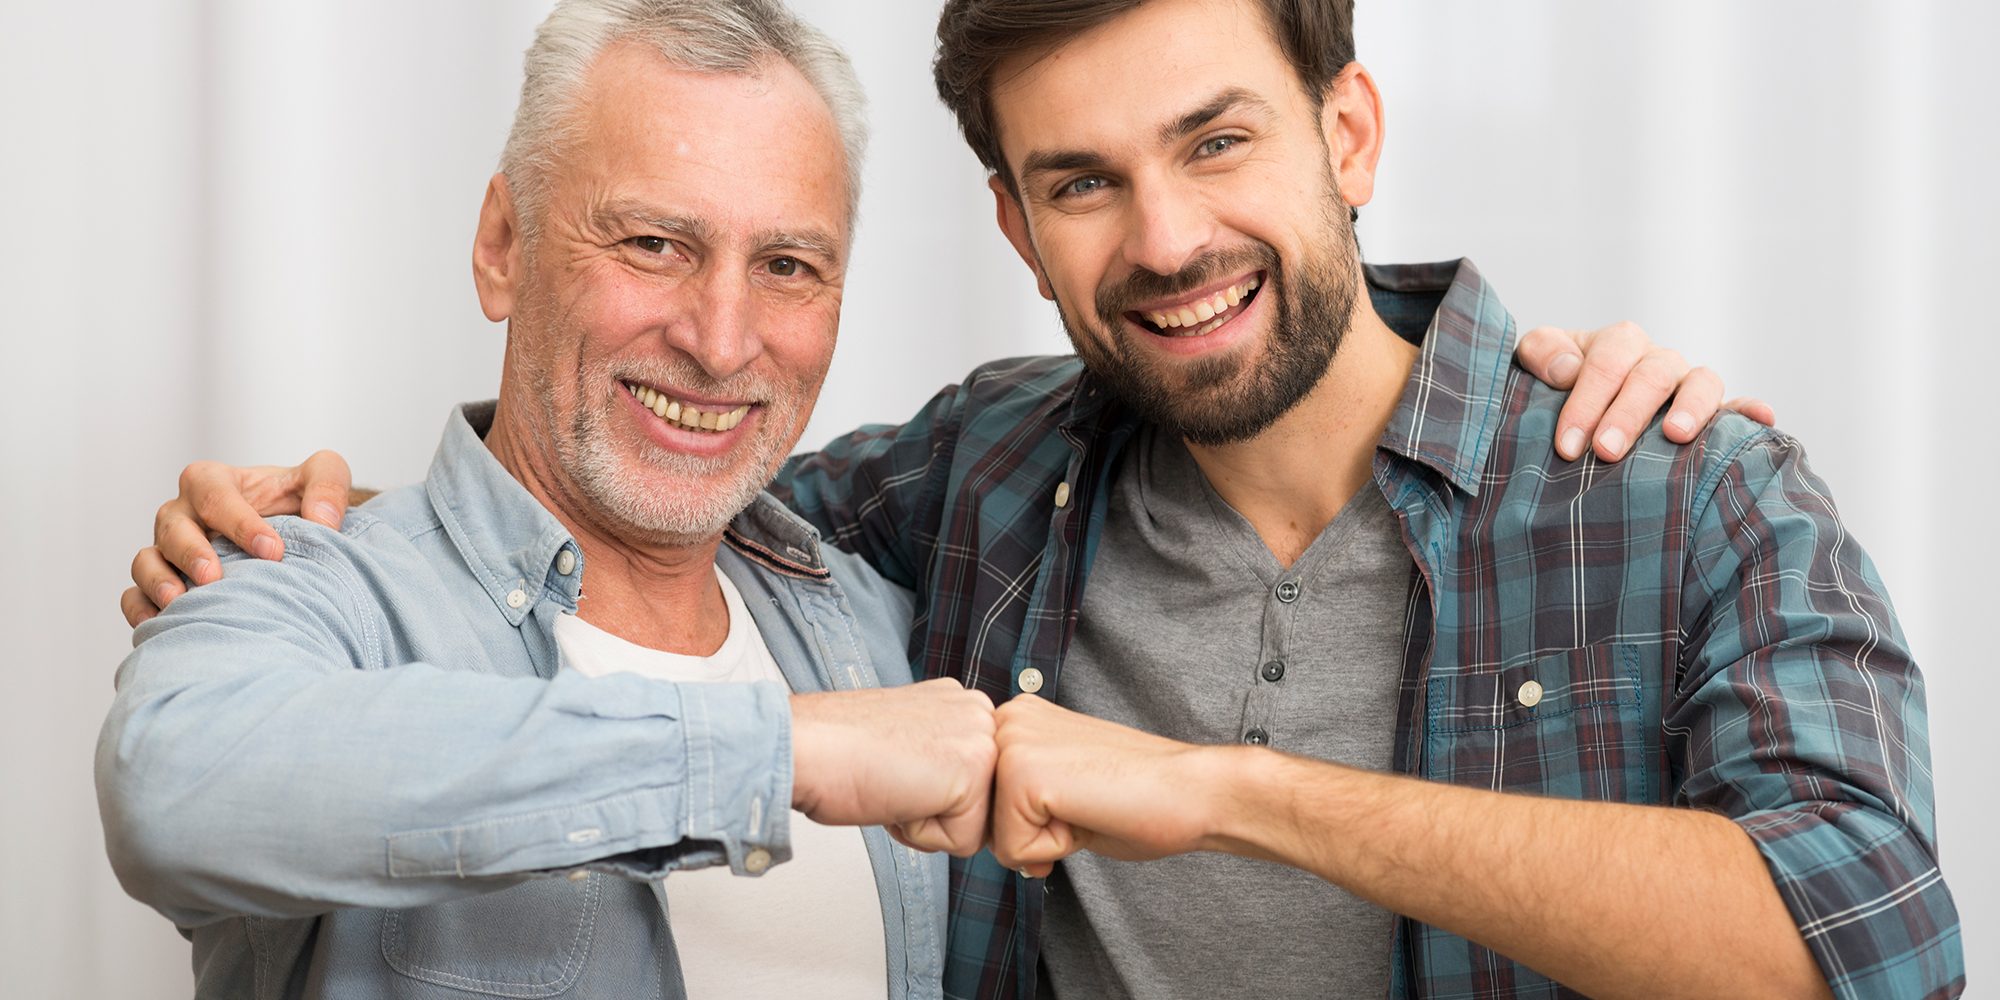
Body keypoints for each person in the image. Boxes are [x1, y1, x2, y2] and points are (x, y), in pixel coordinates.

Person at [119, 3, 1897, 1000]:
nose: (1170, 238)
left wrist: (1228, 793)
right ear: (1017, 228)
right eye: (1084, 181)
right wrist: (314, 524)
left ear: (1347, 133)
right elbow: (644, 489)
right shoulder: (969, 492)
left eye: (1217, 140)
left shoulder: (1674, 490)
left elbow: (1873, 943)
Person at [95, 3, 1002, 997]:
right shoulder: (307, 581)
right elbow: (172, 787)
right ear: (502, 245)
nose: (720, 342)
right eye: (654, 243)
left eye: (786, 266)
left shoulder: (879, 622)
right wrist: (783, 754)